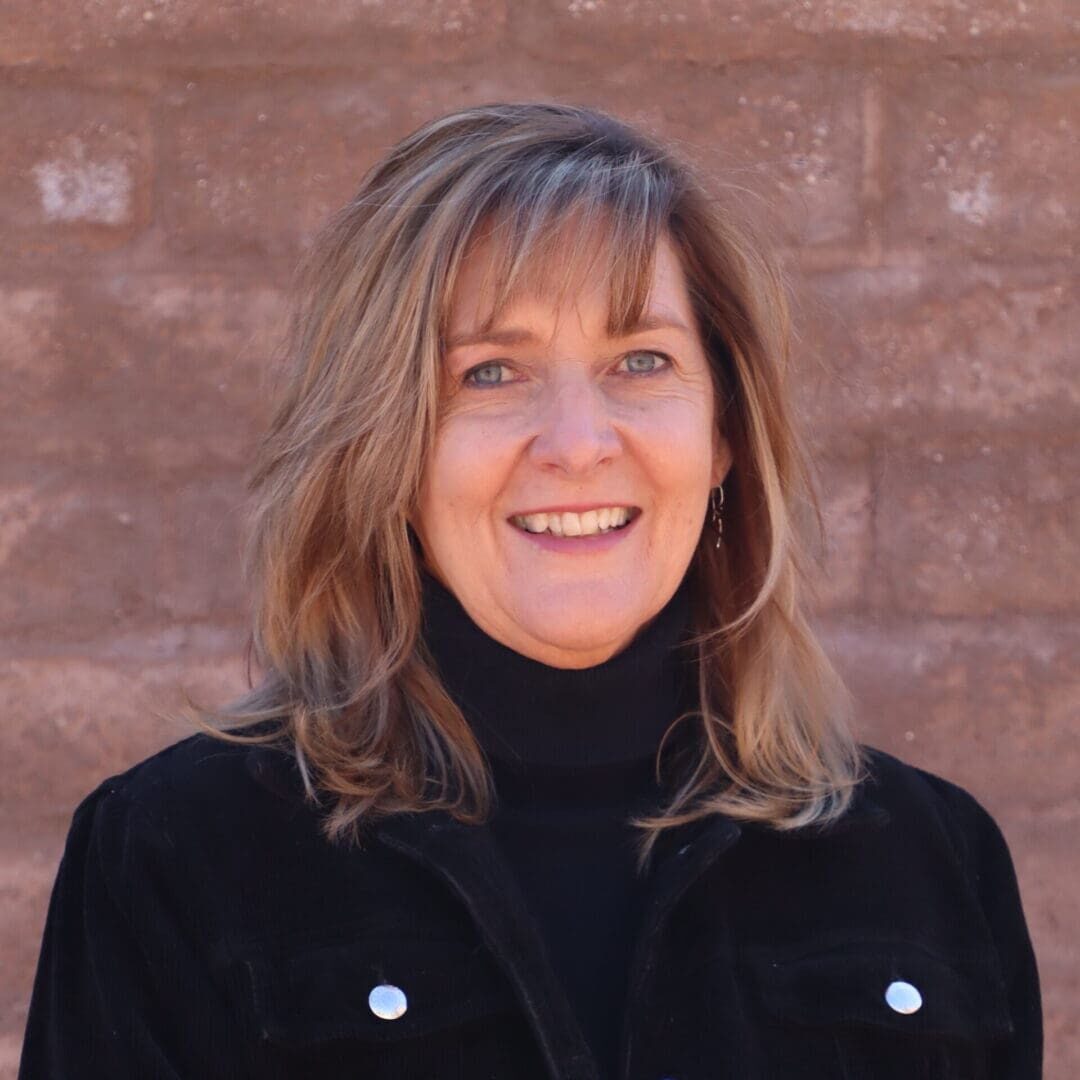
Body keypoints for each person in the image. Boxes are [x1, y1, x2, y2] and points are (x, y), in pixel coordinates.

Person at [19, 102, 1041, 1080]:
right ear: (385, 446)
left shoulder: (934, 867)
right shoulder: (174, 860)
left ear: (724, 431)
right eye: (492, 375)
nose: (580, 445)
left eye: (640, 360)